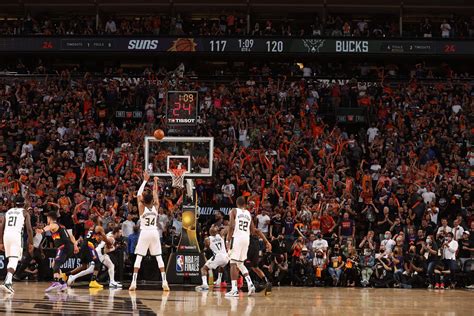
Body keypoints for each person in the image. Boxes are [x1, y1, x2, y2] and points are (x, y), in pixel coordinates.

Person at [129, 171, 169, 291]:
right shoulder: (156, 206)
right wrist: (155, 182)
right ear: (152, 200)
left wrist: (145, 180)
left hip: (145, 233)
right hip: (154, 233)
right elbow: (155, 193)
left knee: (139, 257)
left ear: (143, 200)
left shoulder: (141, 207)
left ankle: (134, 283)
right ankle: (164, 282)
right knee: (159, 257)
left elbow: (139, 194)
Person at [225, 196, 268, 297]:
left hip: (237, 238)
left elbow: (231, 226)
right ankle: (250, 284)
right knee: (240, 263)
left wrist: (228, 239)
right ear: (244, 204)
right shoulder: (248, 213)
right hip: (246, 239)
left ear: (236, 203)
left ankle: (234, 289)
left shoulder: (234, 211)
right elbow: (252, 230)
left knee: (232, 263)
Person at [64, 216, 110, 288]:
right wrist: (109, 243)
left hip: (84, 245)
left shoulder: (92, 227)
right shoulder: (99, 227)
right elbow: (104, 237)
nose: (101, 217)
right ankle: (93, 281)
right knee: (97, 262)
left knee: (84, 266)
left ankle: (66, 274)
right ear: (97, 219)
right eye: (100, 217)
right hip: (89, 245)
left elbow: (98, 237)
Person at [0, 196, 34, 293]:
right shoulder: (25, 212)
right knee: (14, 260)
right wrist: (31, 243)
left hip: (6, 235)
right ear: (24, 204)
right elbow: (29, 229)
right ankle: (7, 282)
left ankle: (8, 282)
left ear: (15, 203)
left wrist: (1, 242)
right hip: (16, 236)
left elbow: (1, 227)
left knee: (11, 259)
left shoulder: (8, 211)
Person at [38, 211, 78, 292]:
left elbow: (49, 227)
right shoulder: (62, 226)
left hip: (63, 247)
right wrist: (75, 245)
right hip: (69, 247)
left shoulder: (53, 224)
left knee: (56, 263)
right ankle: (62, 283)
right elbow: (71, 236)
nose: (47, 219)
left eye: (47, 218)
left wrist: (42, 230)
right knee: (55, 264)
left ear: (49, 218)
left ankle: (56, 282)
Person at [196, 225, 229, 291]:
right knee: (221, 265)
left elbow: (207, 247)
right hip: (226, 257)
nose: (212, 227)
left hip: (218, 256)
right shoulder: (221, 235)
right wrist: (220, 228)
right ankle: (219, 280)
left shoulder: (207, 239)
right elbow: (228, 227)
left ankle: (205, 285)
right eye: (211, 227)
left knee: (203, 269)